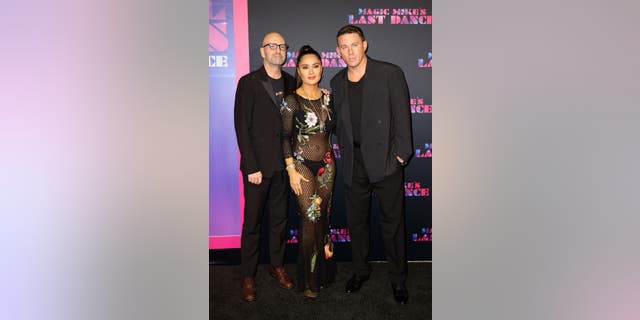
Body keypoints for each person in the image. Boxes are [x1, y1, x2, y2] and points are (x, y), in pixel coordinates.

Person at [330, 25, 413, 304]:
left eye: (354, 44)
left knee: (393, 224)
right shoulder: (337, 82)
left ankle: (398, 279)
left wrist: (399, 157)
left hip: (386, 162)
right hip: (355, 163)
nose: (350, 51)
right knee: (357, 224)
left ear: (365, 45)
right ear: (338, 50)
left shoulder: (390, 73)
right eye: (344, 46)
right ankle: (360, 270)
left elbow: (403, 119)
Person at [234, 32, 295, 302]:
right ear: (262, 51)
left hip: (285, 166)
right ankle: (248, 275)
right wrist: (250, 165)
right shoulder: (249, 83)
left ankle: (277, 266)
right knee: (253, 224)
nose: (278, 50)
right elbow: (242, 127)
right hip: (258, 169)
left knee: (279, 222)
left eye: (282, 46)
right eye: (272, 45)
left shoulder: (293, 82)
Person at [281, 45, 337, 298]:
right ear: (299, 70)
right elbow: (283, 137)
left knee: (323, 218)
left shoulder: (328, 98)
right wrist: (291, 169)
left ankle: (323, 275)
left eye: (315, 65)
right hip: (301, 165)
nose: (311, 71)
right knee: (309, 220)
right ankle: (309, 280)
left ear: (322, 67)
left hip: (327, 165)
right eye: (305, 67)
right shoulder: (291, 100)